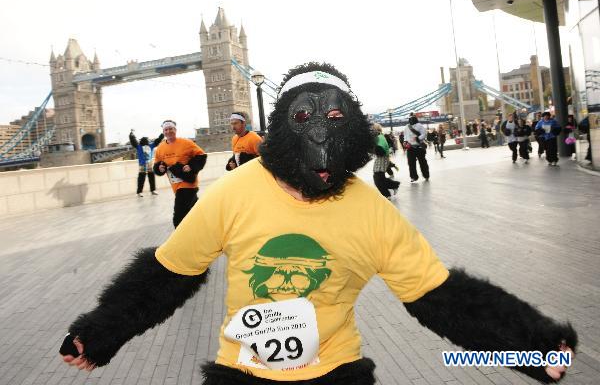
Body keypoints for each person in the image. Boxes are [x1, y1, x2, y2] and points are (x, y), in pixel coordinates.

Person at [60, 63, 575, 385]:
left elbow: (441, 298)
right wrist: (101, 333)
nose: (321, 139)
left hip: (337, 372)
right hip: (241, 373)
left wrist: (533, 346)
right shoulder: (234, 194)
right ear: (280, 130)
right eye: (304, 120)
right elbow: (169, 273)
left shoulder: (372, 212)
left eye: (334, 122)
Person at [152, 120, 207, 227]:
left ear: (175, 130)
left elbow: (202, 156)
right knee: (196, 212)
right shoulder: (160, 148)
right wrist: (160, 168)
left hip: (188, 184)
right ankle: (205, 233)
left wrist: (191, 166)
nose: (168, 131)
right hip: (175, 186)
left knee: (178, 217)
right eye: (166, 130)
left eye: (171, 129)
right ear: (163, 132)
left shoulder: (186, 143)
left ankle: (179, 241)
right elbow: (157, 165)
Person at [129, 129, 163, 197]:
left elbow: (133, 141)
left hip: (144, 164)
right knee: (150, 178)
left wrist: (131, 135)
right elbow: (157, 141)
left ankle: (140, 192)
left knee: (142, 179)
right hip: (147, 164)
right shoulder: (150, 145)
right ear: (147, 141)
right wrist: (162, 135)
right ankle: (152, 190)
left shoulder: (139, 146)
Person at [373, 123, 400, 199]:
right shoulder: (379, 136)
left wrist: (372, 147)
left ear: (376, 130)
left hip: (382, 158)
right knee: (379, 177)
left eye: (373, 129)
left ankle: (387, 193)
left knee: (378, 178)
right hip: (381, 158)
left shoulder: (380, 137)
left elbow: (380, 150)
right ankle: (394, 186)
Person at [403, 114, 430, 182]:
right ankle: (413, 177)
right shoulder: (407, 127)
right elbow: (405, 135)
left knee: (422, 162)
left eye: (412, 119)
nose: (410, 120)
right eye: (409, 119)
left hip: (419, 147)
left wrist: (418, 138)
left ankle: (426, 175)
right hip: (410, 147)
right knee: (411, 163)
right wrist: (405, 141)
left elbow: (424, 134)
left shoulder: (419, 125)